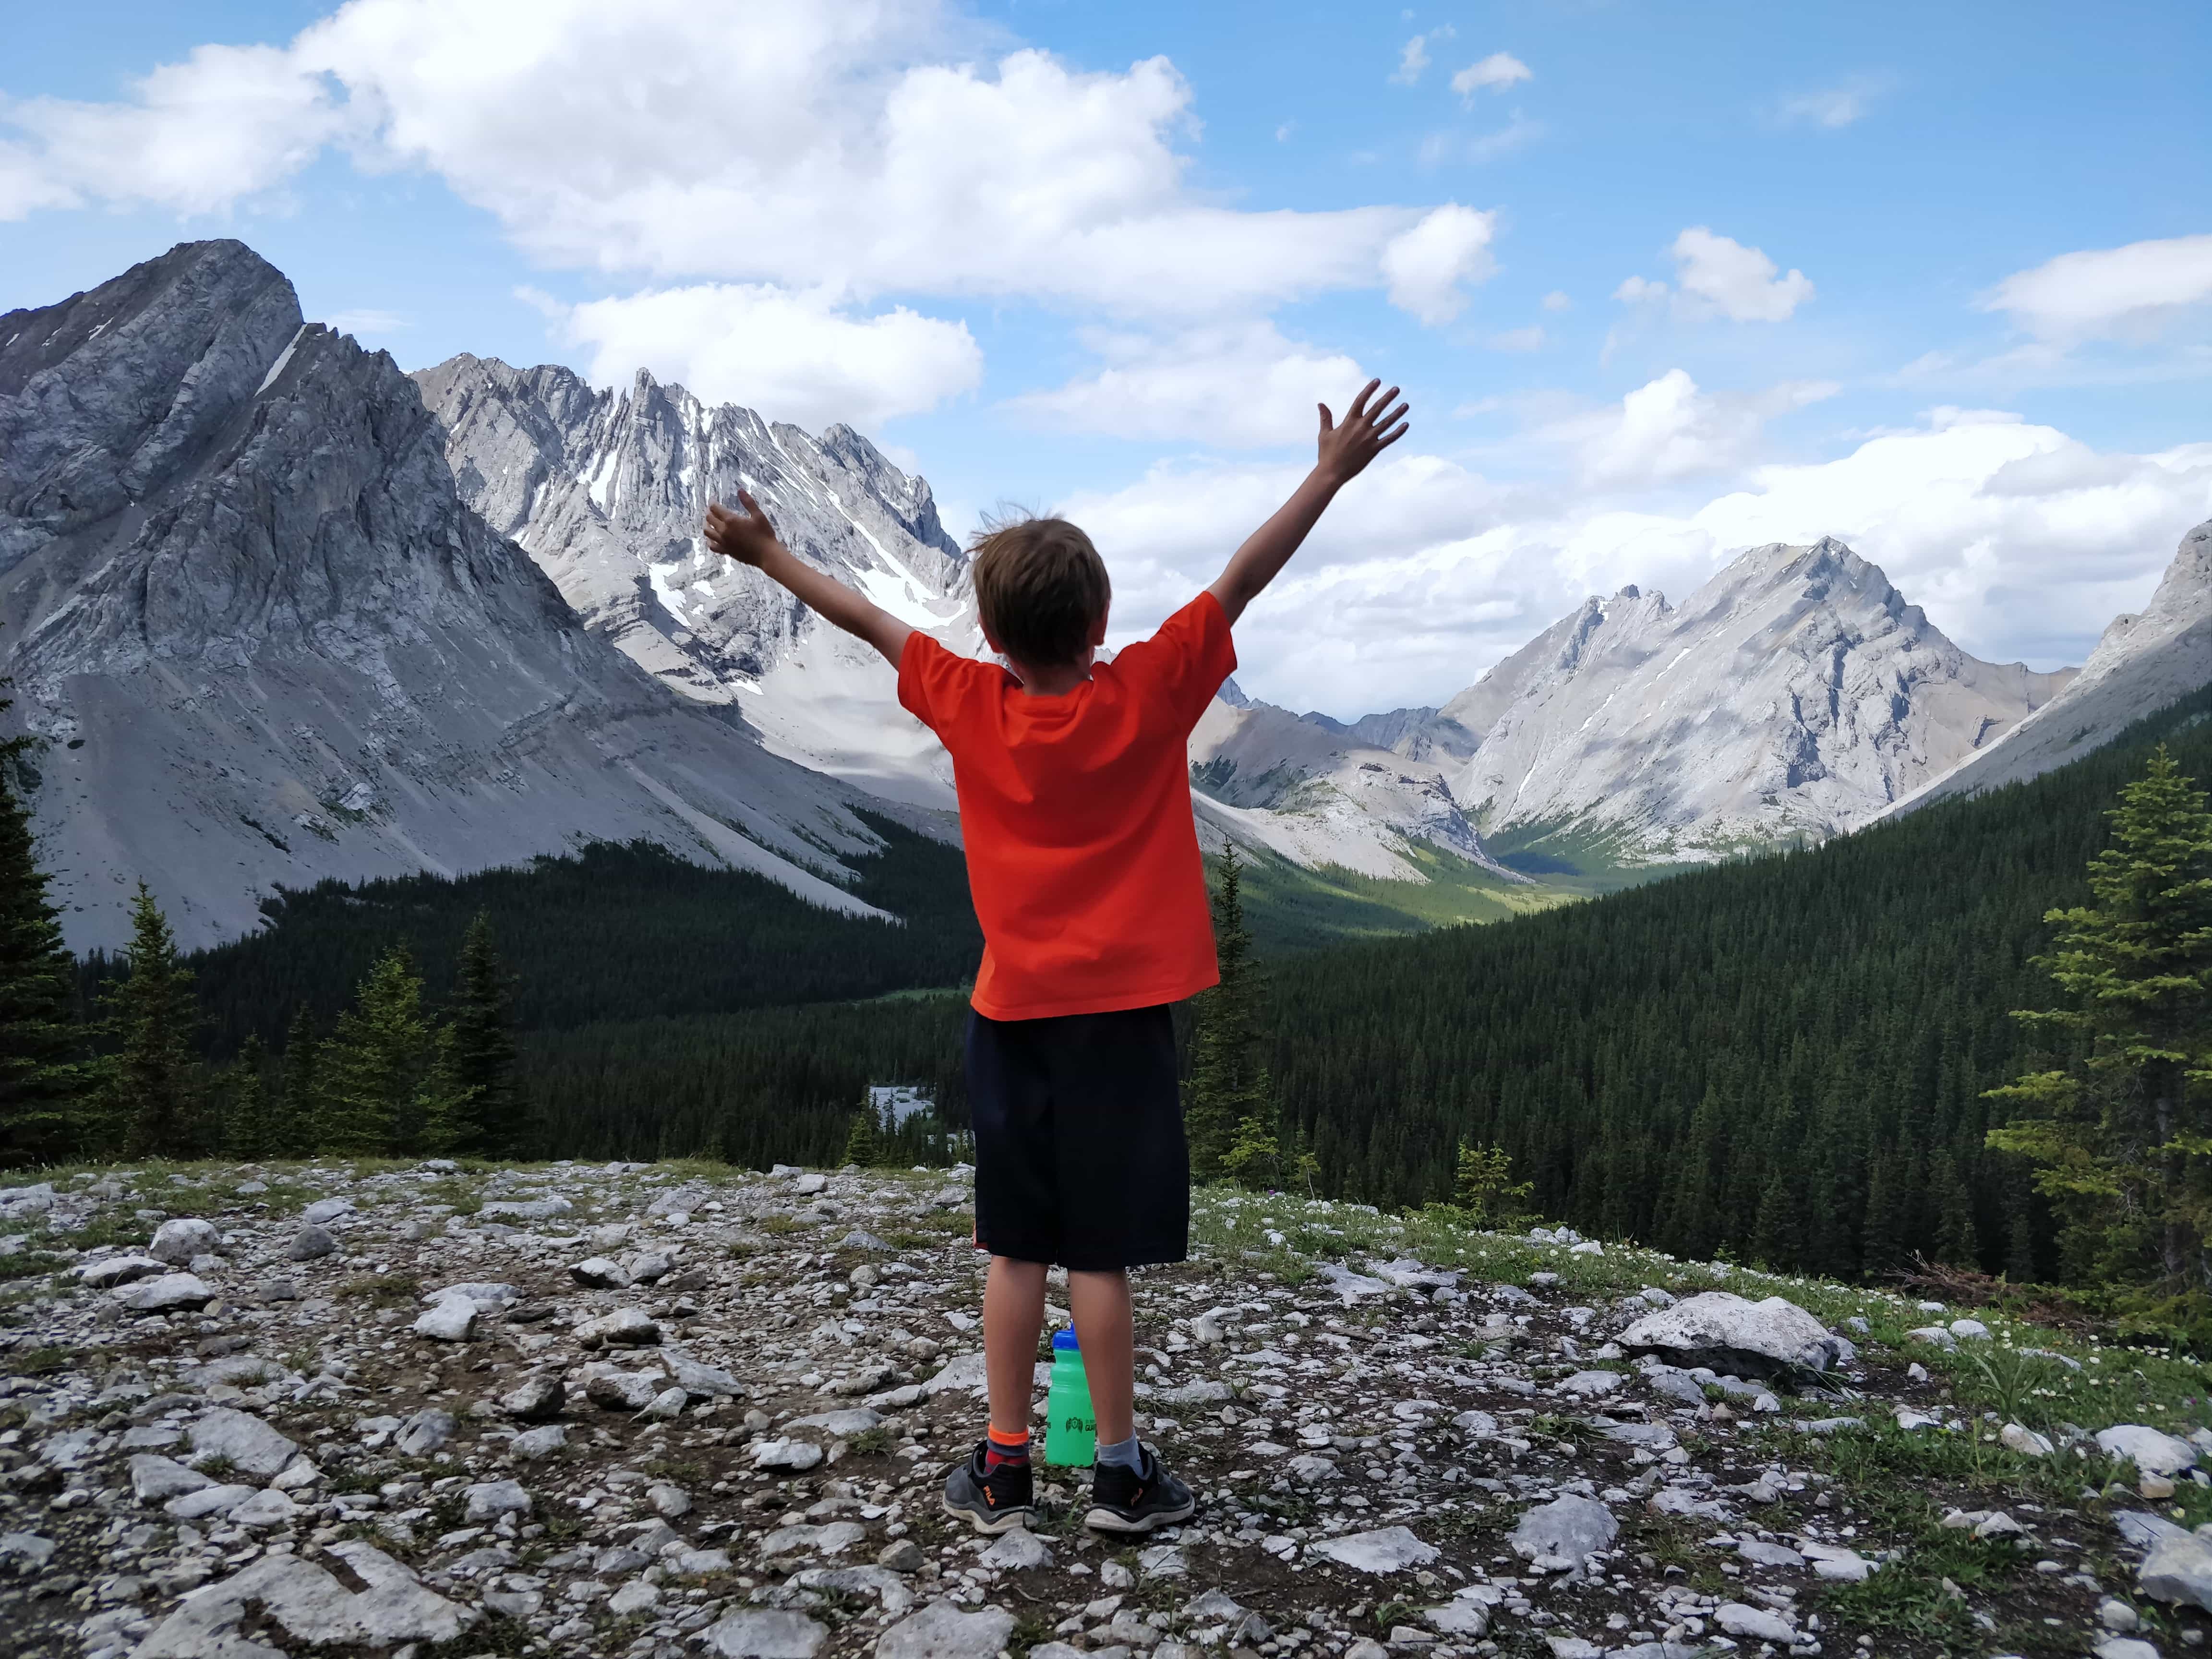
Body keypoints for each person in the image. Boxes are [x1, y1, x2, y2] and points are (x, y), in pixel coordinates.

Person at [703, 380, 1410, 1534]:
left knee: (1014, 1246)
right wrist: (1328, 474)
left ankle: (1004, 1465)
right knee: (1102, 1257)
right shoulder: (1148, 692)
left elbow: (869, 624)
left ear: (991, 636)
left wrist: (766, 551)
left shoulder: (966, 699)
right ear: (1102, 622)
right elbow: (1242, 578)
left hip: (1010, 1018)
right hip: (1122, 1023)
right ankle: (1121, 1472)